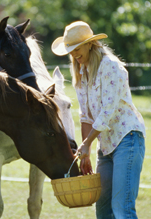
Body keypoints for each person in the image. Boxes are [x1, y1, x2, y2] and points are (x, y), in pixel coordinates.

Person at [51, 21, 146, 219]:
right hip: (106, 146)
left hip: (127, 140)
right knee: (103, 211)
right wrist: (85, 153)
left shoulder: (110, 67)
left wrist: (86, 144)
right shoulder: (81, 73)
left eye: (77, 48)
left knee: (122, 209)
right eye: (70, 50)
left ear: (90, 44)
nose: (74, 54)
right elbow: (85, 116)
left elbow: (107, 112)